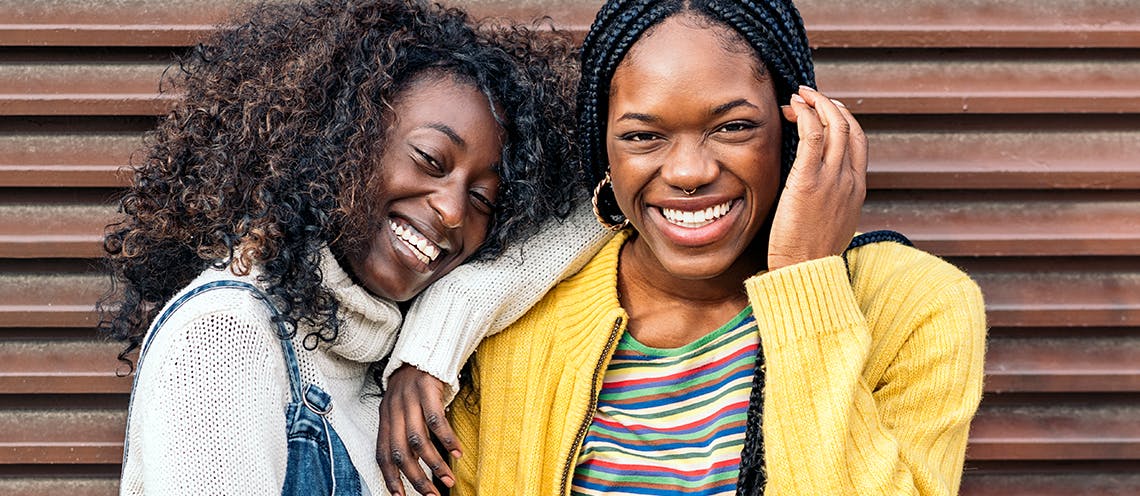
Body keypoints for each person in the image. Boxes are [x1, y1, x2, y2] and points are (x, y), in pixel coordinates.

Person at [377, 0, 987, 495]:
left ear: (796, 128)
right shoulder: (515, 323)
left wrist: (807, 284)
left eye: (733, 127)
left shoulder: (917, 308)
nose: (690, 171)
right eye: (643, 136)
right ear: (605, 154)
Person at [99, 0, 581, 493]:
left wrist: (435, 340)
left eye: (483, 198)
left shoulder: (391, 357)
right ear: (342, 138)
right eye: (430, 159)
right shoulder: (224, 337)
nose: (454, 210)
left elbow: (612, 204)